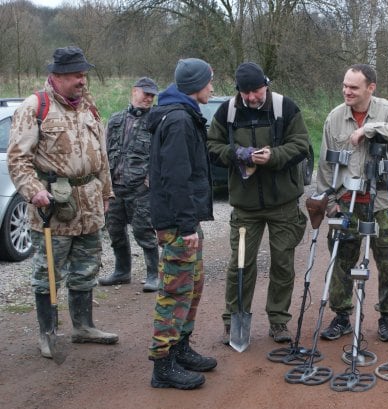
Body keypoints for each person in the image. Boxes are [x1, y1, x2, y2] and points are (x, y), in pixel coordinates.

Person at [7, 46, 119, 360]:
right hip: (53, 208)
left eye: (84, 74)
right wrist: (33, 191)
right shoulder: (35, 107)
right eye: (75, 75)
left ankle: (83, 326)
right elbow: (18, 160)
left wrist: (107, 194)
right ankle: (48, 333)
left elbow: (103, 157)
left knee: (86, 270)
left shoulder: (89, 106)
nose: (82, 81)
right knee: (49, 275)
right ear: (56, 77)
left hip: (89, 204)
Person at [206, 62, 309, 344]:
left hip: (283, 204)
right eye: (245, 92)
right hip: (245, 207)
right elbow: (211, 146)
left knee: (283, 264)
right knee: (240, 265)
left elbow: (302, 145)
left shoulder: (285, 108)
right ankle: (234, 321)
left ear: (266, 84)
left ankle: (278, 321)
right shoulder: (227, 111)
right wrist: (236, 153)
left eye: (255, 90)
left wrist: (273, 156)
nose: (251, 97)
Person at [315, 63, 388, 342]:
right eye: (345, 85)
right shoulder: (334, 118)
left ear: (370, 88)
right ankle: (342, 316)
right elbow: (325, 164)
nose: (346, 91)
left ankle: (387, 317)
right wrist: (330, 201)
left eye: (353, 87)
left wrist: (370, 129)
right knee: (341, 260)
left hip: (382, 200)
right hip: (346, 200)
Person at [146, 58, 217, 390]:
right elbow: (175, 179)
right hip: (178, 224)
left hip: (185, 221)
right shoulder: (178, 121)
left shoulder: (185, 115)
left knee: (192, 287)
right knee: (174, 292)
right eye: (209, 82)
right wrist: (187, 226)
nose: (212, 88)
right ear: (195, 85)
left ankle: (181, 348)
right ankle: (163, 365)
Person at [99, 77, 160, 292]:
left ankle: (154, 274)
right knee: (115, 231)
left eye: (152, 95)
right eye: (146, 93)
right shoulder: (115, 120)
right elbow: (103, 153)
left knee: (144, 232)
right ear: (134, 92)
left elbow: (159, 156)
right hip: (115, 187)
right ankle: (122, 271)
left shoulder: (156, 121)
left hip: (141, 189)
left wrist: (148, 183)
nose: (149, 98)